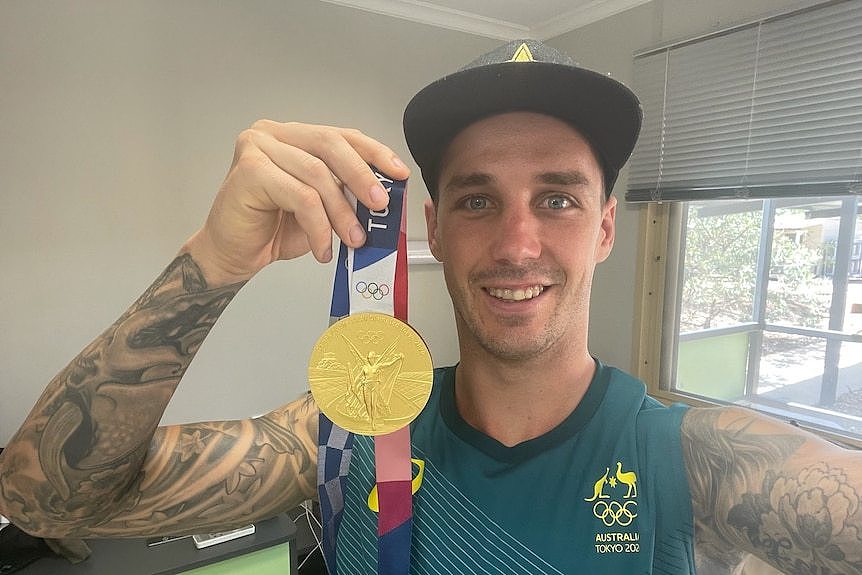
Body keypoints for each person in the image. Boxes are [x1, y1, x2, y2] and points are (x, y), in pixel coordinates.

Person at [0, 38, 860, 575]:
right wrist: (214, 261)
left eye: (557, 199)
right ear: (434, 229)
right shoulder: (346, 434)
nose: (518, 244)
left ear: (604, 229)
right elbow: (44, 504)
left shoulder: (702, 461)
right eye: (479, 201)